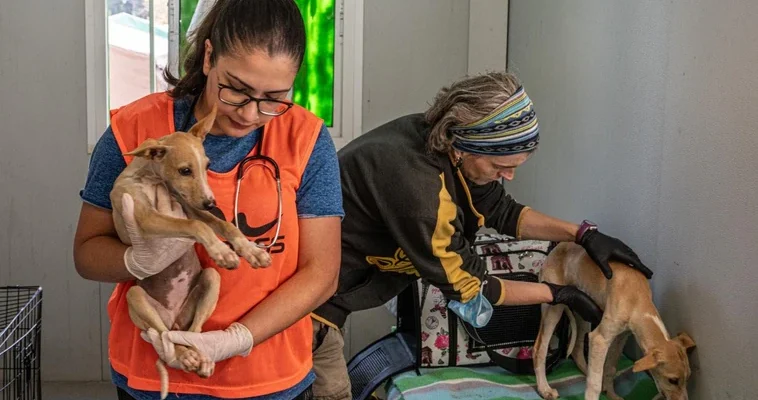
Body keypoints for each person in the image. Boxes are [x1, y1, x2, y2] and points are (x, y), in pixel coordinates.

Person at [309, 71, 653, 400]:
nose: (509, 177)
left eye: (515, 167)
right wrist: (556, 293)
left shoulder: (444, 143)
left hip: (333, 290)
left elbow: (503, 211)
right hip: (309, 303)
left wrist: (583, 234)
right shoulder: (420, 193)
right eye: (501, 168)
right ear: (463, 148)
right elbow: (473, 287)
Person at [73, 0, 343, 399]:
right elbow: (87, 254)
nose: (251, 114)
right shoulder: (135, 131)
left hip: (268, 376)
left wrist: (234, 340)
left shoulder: (304, 139)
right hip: (154, 368)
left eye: (274, 97)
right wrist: (135, 260)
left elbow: (322, 274)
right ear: (209, 56)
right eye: (236, 90)